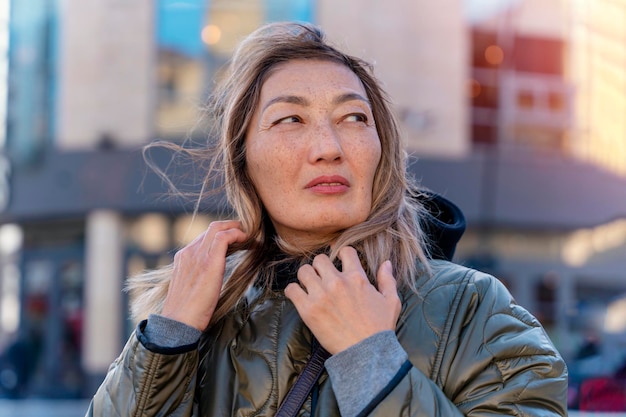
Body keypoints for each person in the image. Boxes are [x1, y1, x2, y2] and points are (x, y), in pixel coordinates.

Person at [86, 22, 568, 417]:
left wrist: (372, 361)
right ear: (243, 160)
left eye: (354, 118)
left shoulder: (472, 308)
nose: (329, 149)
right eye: (290, 120)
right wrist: (171, 335)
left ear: (383, 152)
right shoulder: (202, 316)